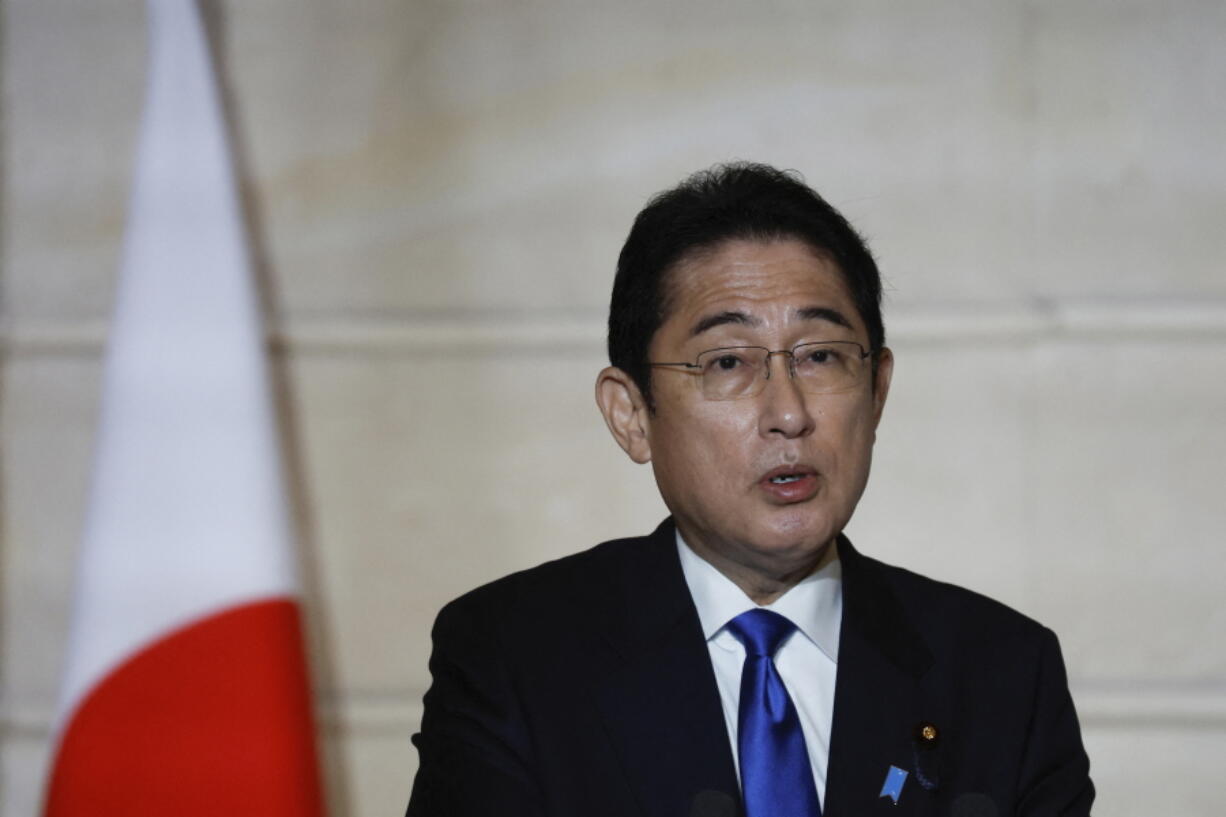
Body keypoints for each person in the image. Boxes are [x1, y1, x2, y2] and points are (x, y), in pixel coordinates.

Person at [406, 163, 1094, 817]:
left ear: (877, 390)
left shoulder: (1003, 672)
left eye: (821, 356)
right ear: (632, 414)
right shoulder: (515, 656)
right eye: (728, 361)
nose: (789, 412)